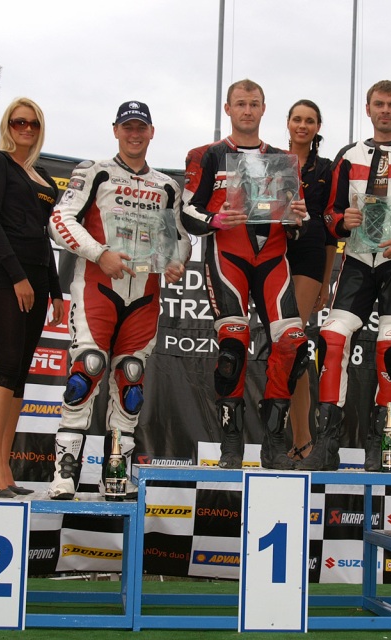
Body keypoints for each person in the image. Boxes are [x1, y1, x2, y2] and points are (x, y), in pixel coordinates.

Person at [297, 80, 391, 472]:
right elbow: (330, 215)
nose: (385, 110)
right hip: (357, 259)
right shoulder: (348, 156)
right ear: (367, 109)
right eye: (379, 104)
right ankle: (327, 442)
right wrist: (342, 221)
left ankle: (383, 442)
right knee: (332, 337)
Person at [47, 101, 190, 500]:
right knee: (87, 370)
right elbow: (60, 220)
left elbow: (180, 238)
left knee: (131, 379)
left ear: (151, 132)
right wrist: (100, 254)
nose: (134, 134)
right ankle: (65, 471)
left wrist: (175, 262)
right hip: (98, 286)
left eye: (141, 127)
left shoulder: (167, 186)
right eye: (128, 127)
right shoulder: (95, 171)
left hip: (144, 294)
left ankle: (116, 472)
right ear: (115, 130)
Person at [181, 79, 309, 470]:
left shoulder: (284, 159)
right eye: (240, 103)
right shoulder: (208, 155)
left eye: (254, 104)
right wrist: (215, 219)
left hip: (272, 258)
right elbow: (187, 212)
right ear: (228, 109)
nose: (247, 110)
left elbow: (296, 223)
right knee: (233, 347)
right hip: (228, 257)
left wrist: (297, 220)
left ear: (264, 109)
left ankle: (274, 440)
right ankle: (231, 443)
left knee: (292, 344)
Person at [0, 97, 65, 497]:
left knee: (20, 371)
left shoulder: (42, 175)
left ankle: (5, 463)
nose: (26, 129)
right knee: (7, 362)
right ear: (7, 125)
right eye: (19, 122)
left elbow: (44, 236)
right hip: (7, 275)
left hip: (39, 277)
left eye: (33, 124)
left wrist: (56, 290)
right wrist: (17, 277)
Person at [284, 99, 336, 463]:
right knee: (283, 344)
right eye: (297, 119)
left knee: (292, 338)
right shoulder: (270, 160)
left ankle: (303, 439)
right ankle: (295, 436)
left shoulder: (327, 168)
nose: (303, 125)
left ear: (317, 127)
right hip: (273, 251)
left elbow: (332, 228)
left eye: (310, 121)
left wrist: (326, 280)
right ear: (287, 123)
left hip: (311, 253)